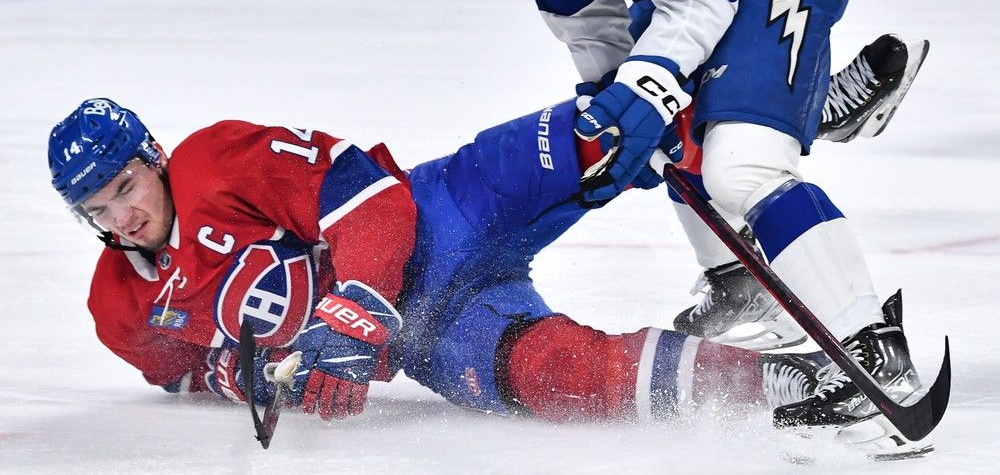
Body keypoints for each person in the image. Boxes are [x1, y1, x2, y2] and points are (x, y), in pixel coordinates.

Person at [414, 0, 933, 453]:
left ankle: (872, 347)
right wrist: (612, 90)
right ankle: (739, 280)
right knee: (660, 138)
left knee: (741, 169)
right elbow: (576, 0)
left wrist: (644, 86)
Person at [49, 97, 821, 427]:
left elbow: (373, 198)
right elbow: (180, 370)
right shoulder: (115, 307)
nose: (123, 218)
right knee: (563, 376)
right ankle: (785, 383)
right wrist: (250, 374)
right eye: (98, 211)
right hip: (434, 336)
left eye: (125, 188)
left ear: (151, 158)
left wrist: (353, 312)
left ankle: (786, 108)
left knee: (609, 129)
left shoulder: (214, 162)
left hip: (445, 208)